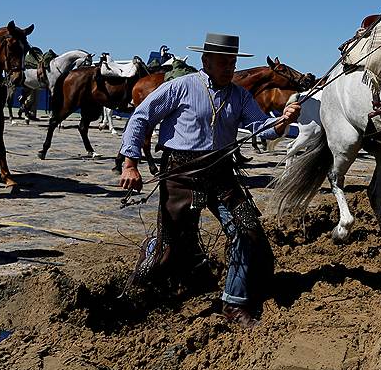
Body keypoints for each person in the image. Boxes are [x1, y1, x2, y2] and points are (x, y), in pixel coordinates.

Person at [119, 32, 301, 327]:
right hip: (181, 175)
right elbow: (141, 117)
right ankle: (143, 276)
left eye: (232, 61)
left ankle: (234, 303)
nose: (229, 67)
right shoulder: (181, 87)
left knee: (247, 230)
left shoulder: (240, 96)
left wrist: (283, 121)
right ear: (206, 61)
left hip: (220, 175)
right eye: (223, 61)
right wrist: (130, 163)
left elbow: (260, 127)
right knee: (171, 248)